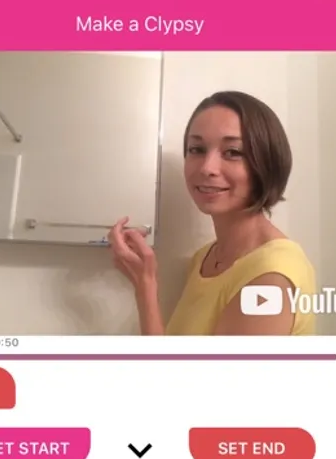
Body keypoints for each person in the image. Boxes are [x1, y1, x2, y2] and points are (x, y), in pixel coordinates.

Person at [107, 91, 316, 335]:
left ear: (267, 162)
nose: (207, 168)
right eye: (197, 149)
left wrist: (145, 285)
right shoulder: (204, 259)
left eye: (233, 152)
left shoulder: (271, 276)